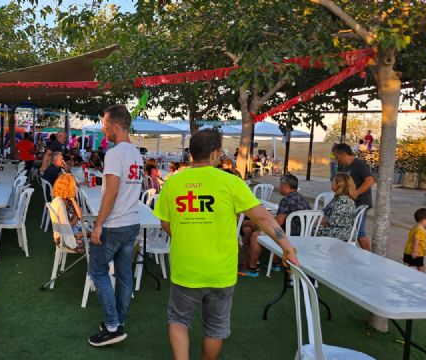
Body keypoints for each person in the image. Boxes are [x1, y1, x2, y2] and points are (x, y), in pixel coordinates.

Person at [154, 129, 299, 360]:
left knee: (179, 320)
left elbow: (165, 223)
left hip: (185, 268)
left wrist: (187, 234)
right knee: (215, 328)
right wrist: (287, 248)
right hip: (221, 271)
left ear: (191, 154)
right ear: (215, 154)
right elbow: (263, 217)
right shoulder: (230, 182)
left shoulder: (173, 183)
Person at [87, 105, 143, 347]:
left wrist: (98, 224)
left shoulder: (114, 153)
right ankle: (118, 321)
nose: (103, 129)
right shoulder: (137, 153)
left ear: (116, 127)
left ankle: (112, 326)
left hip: (115, 223)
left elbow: (111, 192)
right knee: (124, 276)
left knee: (97, 272)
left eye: (106, 126)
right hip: (131, 223)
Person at [242, 174, 311, 277]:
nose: (279, 187)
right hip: (303, 235)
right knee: (255, 226)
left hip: (289, 236)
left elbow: (278, 223)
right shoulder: (303, 199)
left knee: (256, 236)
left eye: (280, 185)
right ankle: (274, 263)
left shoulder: (287, 200)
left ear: (286, 186)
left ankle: (252, 268)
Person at [334, 143, 375, 250]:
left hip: (361, 202)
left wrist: (356, 193)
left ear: (343, 154)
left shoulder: (359, 164)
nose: (337, 159)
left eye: (337, 156)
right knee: (348, 228)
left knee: (359, 230)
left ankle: (368, 255)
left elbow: (370, 180)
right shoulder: (344, 166)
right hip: (350, 203)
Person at [316, 173, 357, 242]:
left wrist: (315, 221)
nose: (331, 183)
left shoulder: (343, 200)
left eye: (333, 181)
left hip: (343, 232)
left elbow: (333, 222)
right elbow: (325, 211)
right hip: (339, 229)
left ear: (339, 185)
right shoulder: (338, 197)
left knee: (312, 229)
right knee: (311, 227)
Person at [49, 174, 86, 252]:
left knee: (95, 230)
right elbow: (66, 228)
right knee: (98, 234)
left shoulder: (67, 199)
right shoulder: (60, 204)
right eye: (73, 186)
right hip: (64, 238)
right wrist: (76, 218)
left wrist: (73, 200)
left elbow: (80, 215)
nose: (75, 188)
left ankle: (84, 234)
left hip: (72, 229)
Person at [403, 208, 426, 272]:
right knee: (420, 266)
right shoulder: (420, 230)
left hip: (408, 250)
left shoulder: (415, 227)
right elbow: (416, 241)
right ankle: (422, 277)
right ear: (424, 220)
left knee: (407, 263)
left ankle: (404, 273)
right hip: (417, 252)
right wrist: (414, 251)